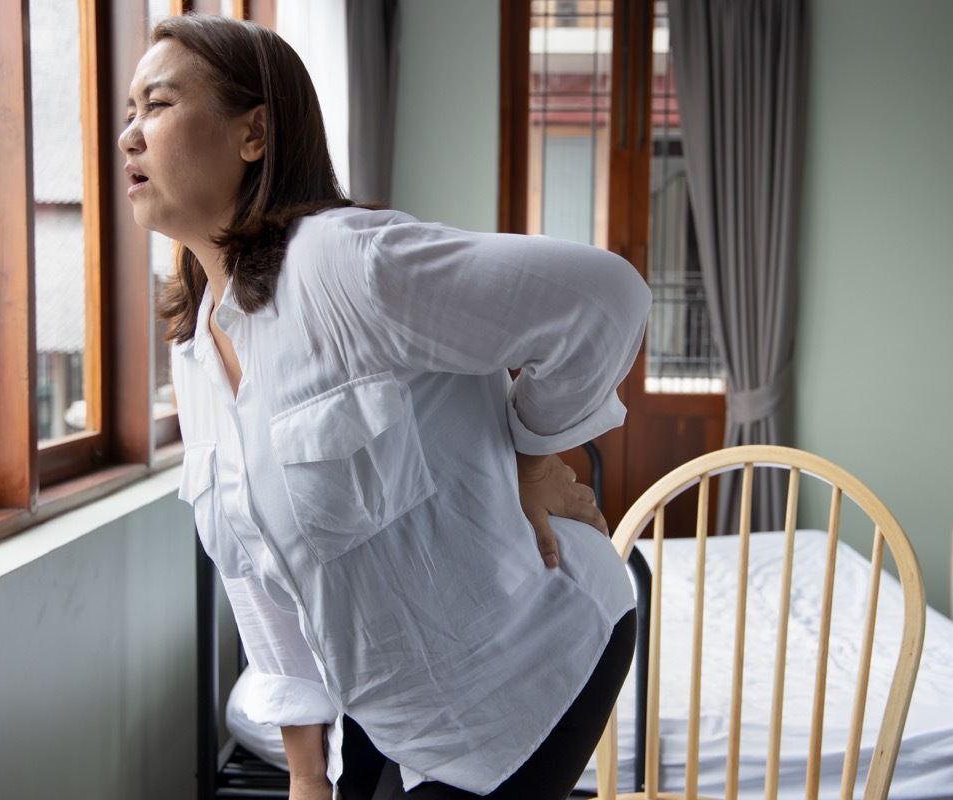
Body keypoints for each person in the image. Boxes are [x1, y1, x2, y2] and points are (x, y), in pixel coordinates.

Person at [119, 13, 651, 800]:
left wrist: (535, 459)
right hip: (390, 707)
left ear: (254, 134)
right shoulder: (195, 352)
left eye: (158, 106)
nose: (130, 135)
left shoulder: (340, 265)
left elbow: (605, 300)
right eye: (129, 112)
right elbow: (256, 580)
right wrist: (305, 772)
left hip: (533, 668)